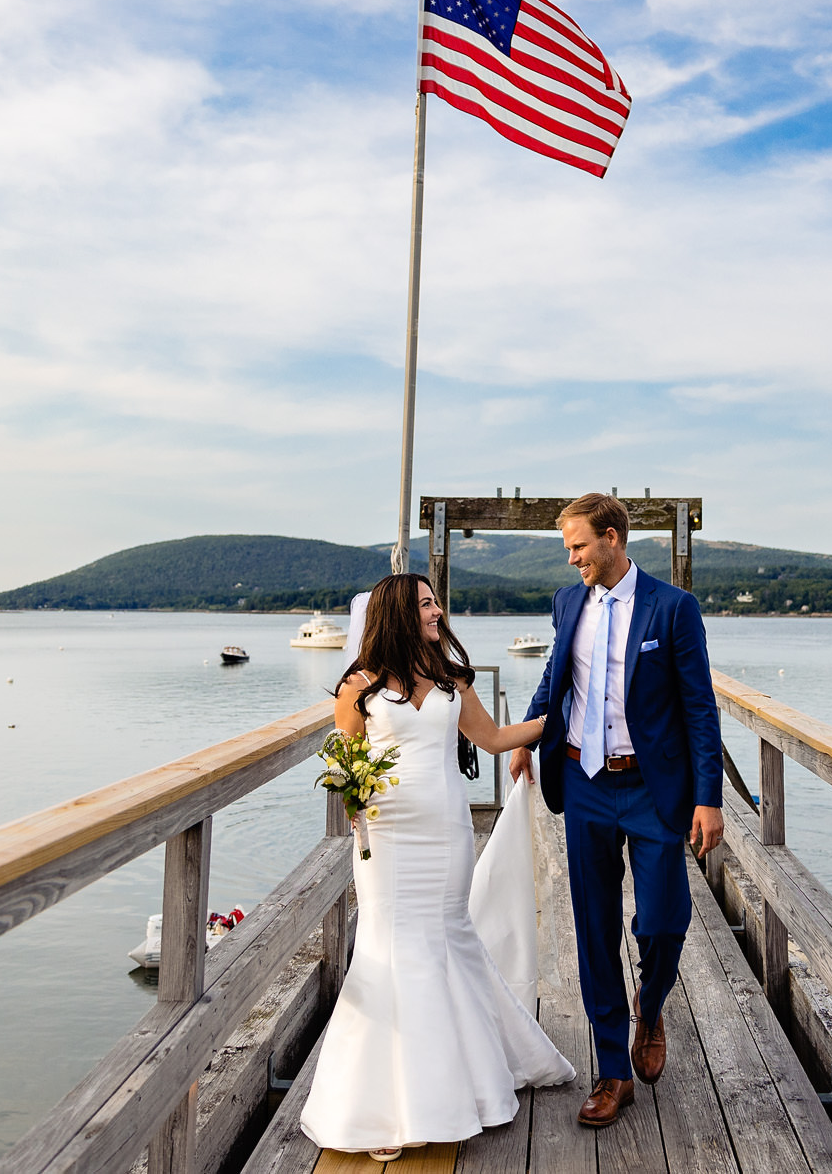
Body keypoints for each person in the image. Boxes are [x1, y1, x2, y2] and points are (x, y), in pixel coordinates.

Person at [299, 573, 572, 1161]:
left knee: (449, 941)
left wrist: (562, 720)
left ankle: (466, 1081)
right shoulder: (359, 686)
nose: (437, 609)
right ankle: (389, 1108)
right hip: (389, 839)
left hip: (447, 833)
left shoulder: (450, 677)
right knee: (391, 949)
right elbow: (343, 760)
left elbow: (495, 739)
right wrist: (353, 800)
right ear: (400, 611)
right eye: (425, 603)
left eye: (435, 601)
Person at [507, 492, 724, 1128]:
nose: (571, 558)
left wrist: (708, 797)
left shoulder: (673, 608)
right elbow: (556, 677)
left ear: (611, 538)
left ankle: (649, 1007)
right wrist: (526, 735)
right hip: (583, 783)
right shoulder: (567, 601)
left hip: (653, 789)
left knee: (663, 920)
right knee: (594, 928)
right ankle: (612, 1071)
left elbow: (699, 708)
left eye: (577, 546)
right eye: (567, 548)